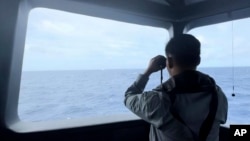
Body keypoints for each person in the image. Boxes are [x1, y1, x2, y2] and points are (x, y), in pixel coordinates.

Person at [124, 34, 228, 141]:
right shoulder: (219, 96)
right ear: (198, 60)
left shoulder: (157, 100)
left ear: (169, 61)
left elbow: (129, 96)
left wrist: (148, 71)